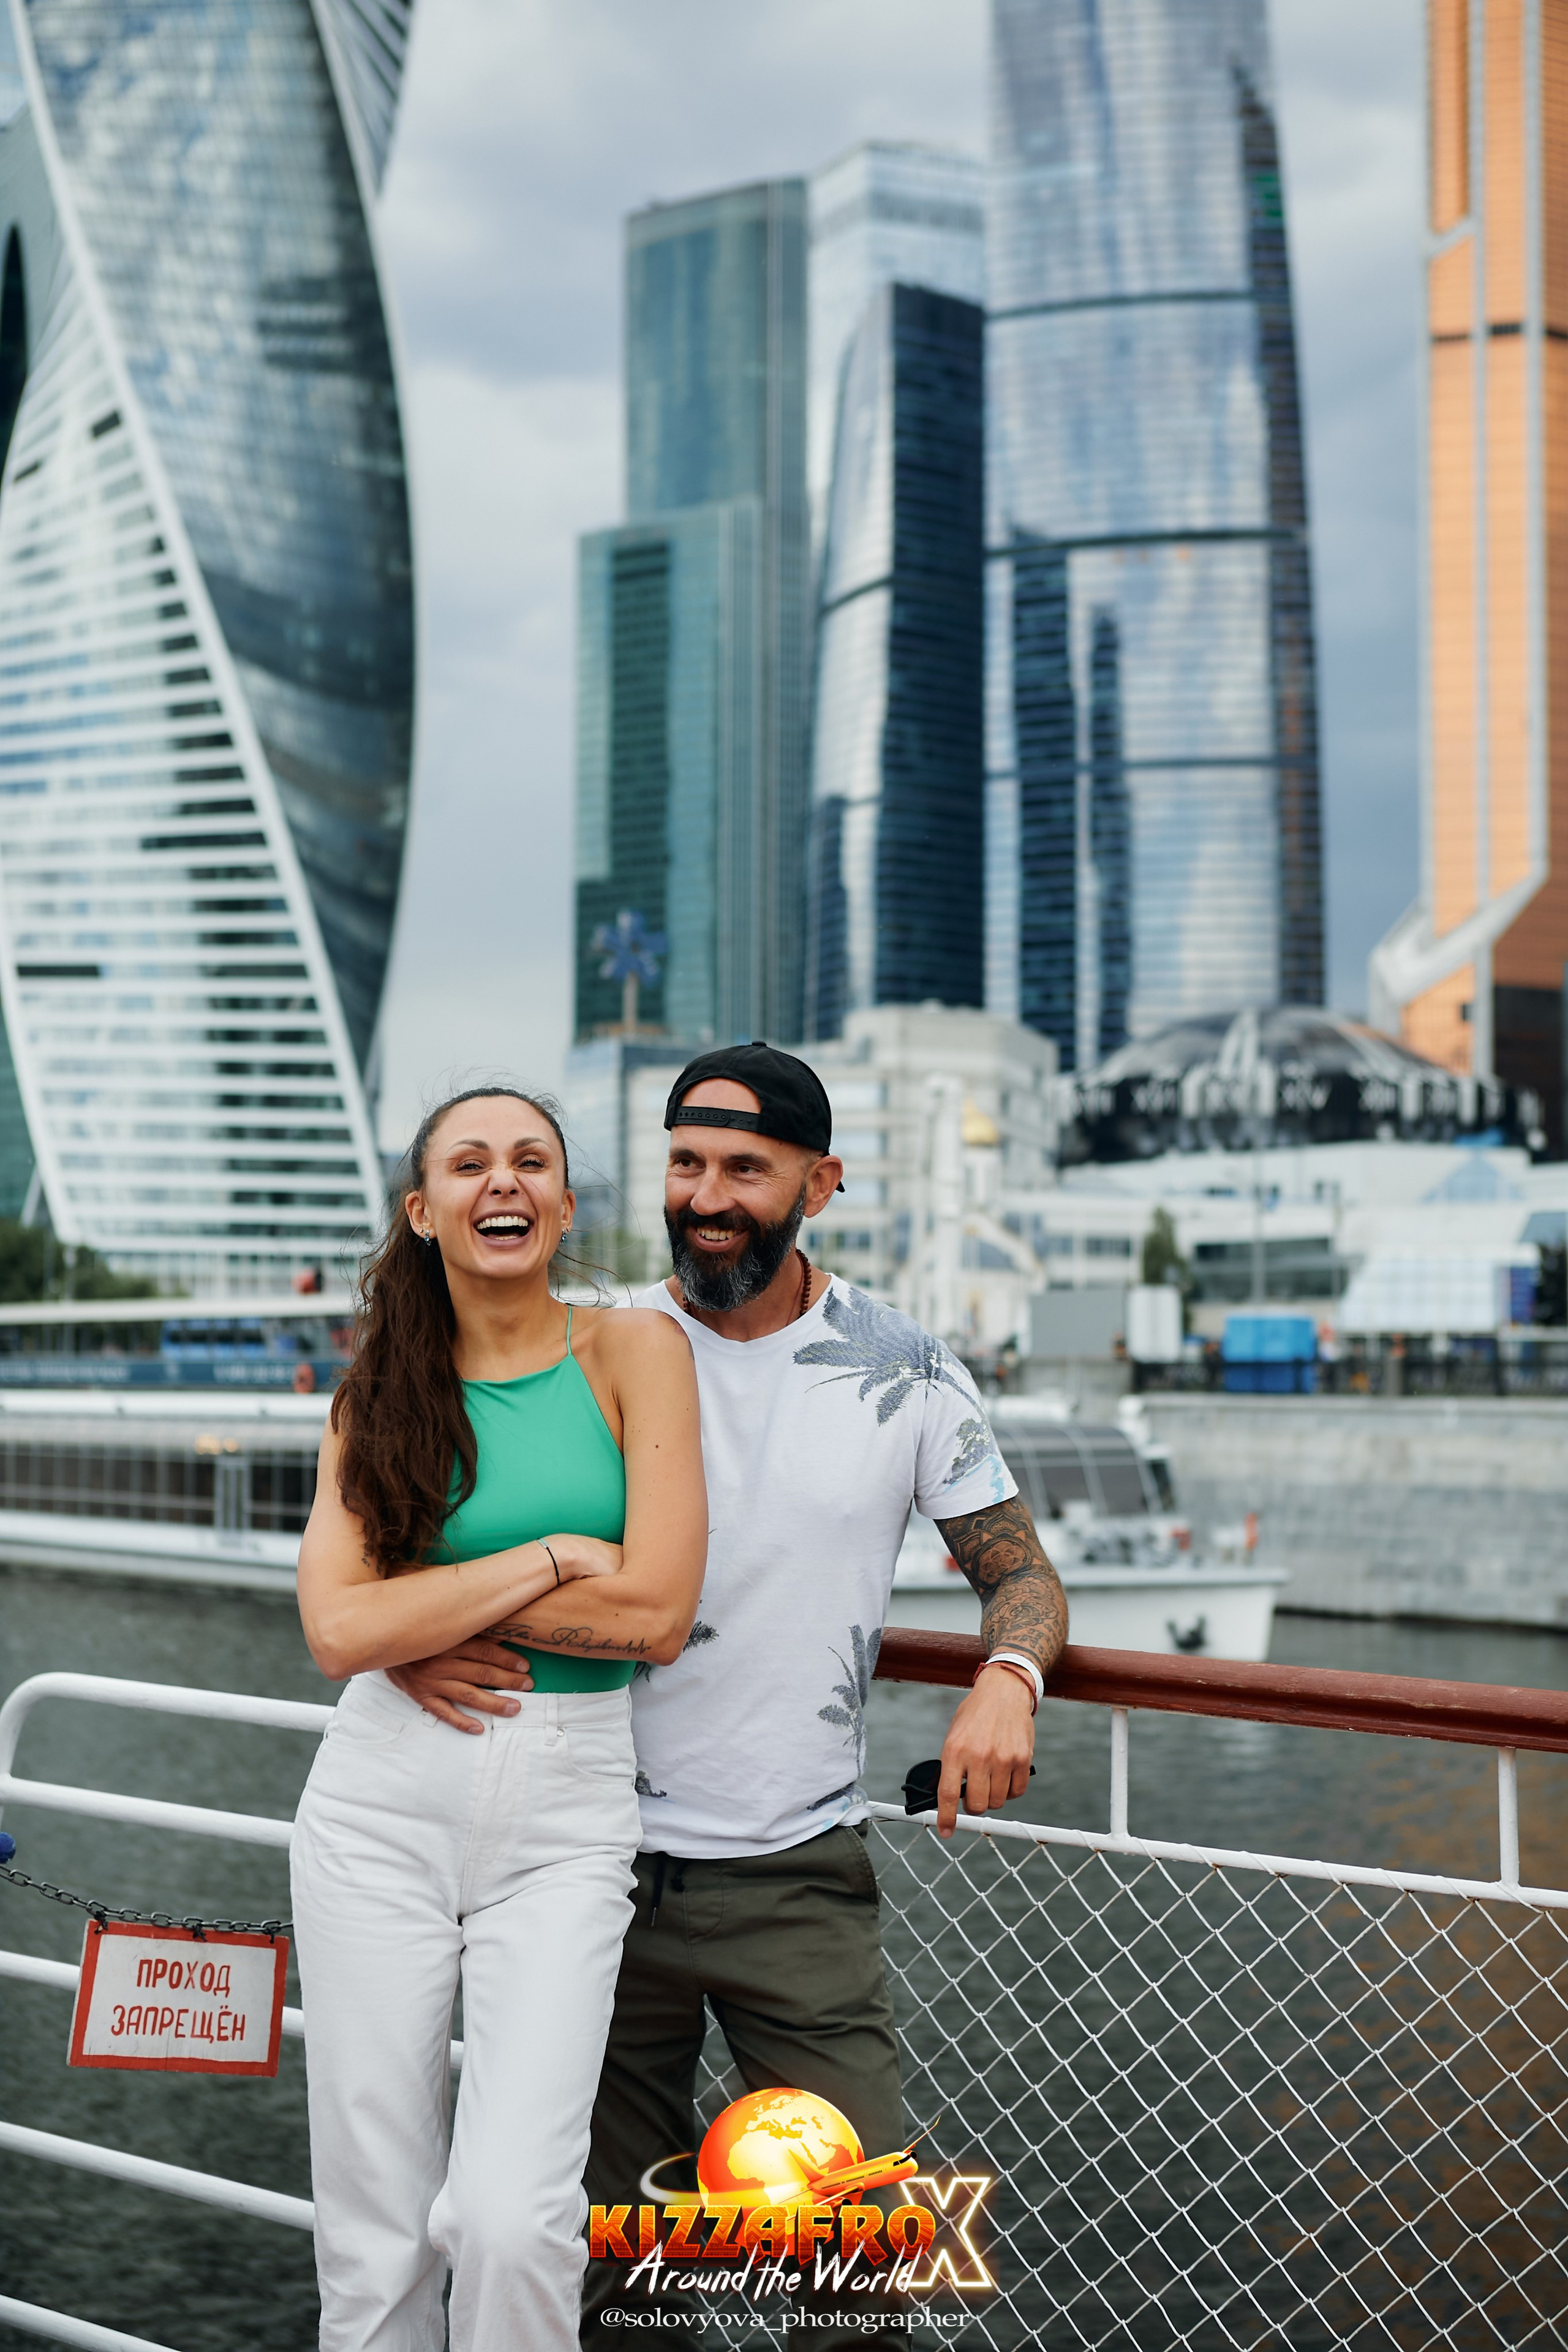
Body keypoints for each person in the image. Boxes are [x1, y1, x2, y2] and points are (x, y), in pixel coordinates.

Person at [393, 1047, 1068, 2347]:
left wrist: (1008, 1674)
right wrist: (409, 1642)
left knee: (860, 2266)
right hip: (574, 1861)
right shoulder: (589, 1348)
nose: (706, 1196)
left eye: (743, 1171)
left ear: (819, 1182)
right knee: (598, 2270)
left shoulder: (904, 1370)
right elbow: (418, 1551)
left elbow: (1020, 1572)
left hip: (793, 1874)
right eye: (685, 1164)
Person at [289, 1085, 707, 2351]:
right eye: (467, 1165)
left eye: (531, 1161)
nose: (502, 1182)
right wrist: (549, 1558)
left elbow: (655, 1619)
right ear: (423, 1211)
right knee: (374, 2234)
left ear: (566, 1203)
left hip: (569, 1816)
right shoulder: (379, 1397)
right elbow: (336, 1636)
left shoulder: (634, 1350)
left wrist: (416, 1614)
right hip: (377, 1804)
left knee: (516, 2218)